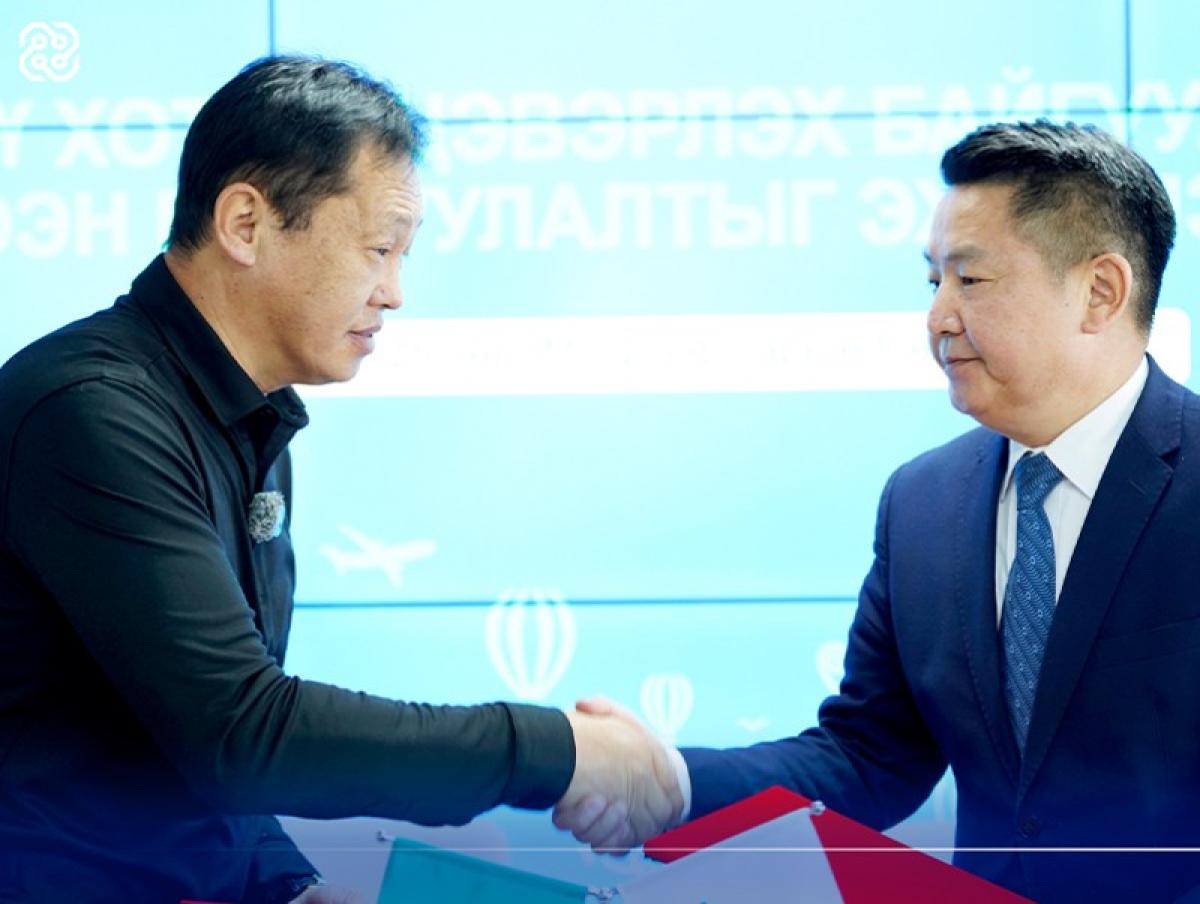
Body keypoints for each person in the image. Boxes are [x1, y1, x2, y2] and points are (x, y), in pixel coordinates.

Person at [0, 56, 680, 903]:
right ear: (245, 223)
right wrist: (556, 752)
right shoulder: (91, 410)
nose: (394, 293)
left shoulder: (250, 417)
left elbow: (187, 747)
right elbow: (244, 733)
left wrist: (292, 885)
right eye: (379, 249)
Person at [558, 120, 1200, 902]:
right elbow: (868, 757)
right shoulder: (924, 503)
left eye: (971, 279)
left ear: (1100, 292)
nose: (938, 319)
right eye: (933, 283)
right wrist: (673, 782)